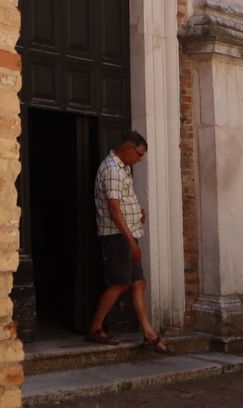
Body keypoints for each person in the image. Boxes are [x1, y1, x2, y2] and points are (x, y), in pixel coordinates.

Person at [85, 130, 173, 354]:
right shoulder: (113, 170)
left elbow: (122, 204)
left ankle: (149, 334)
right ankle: (95, 328)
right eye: (140, 154)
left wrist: (136, 215)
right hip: (117, 237)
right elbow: (114, 210)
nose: (140, 159)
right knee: (120, 283)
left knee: (138, 283)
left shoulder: (124, 168)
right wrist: (131, 242)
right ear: (128, 148)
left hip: (129, 233)